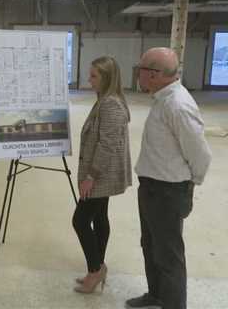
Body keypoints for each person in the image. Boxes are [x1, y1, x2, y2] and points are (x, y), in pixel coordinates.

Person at [125, 47, 211, 309]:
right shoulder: (163, 98)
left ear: (154, 74)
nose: (137, 73)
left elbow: (200, 154)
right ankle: (157, 295)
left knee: (169, 254)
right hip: (152, 186)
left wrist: (189, 185)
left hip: (168, 191)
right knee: (150, 245)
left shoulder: (178, 105)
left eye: (140, 69)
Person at [72, 56, 132, 294]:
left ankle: (95, 269)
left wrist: (90, 177)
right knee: (99, 217)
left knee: (80, 220)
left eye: (94, 75)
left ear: (107, 78)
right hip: (100, 174)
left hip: (100, 174)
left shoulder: (111, 104)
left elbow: (106, 145)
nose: (89, 79)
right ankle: (98, 268)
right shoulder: (104, 100)